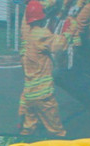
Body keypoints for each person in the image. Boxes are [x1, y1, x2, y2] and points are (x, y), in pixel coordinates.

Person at [20, 0, 68, 138]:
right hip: (43, 96)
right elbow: (59, 46)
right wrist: (68, 33)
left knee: (28, 130)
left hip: (29, 97)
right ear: (42, 17)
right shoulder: (41, 34)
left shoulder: (28, 37)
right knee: (57, 131)